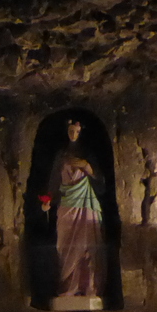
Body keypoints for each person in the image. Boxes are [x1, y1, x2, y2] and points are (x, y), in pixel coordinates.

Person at [41, 119, 104, 300]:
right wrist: (47, 200)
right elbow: (54, 180)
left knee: (87, 245)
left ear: (81, 132)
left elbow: (100, 180)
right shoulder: (61, 155)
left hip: (85, 201)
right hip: (67, 201)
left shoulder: (87, 154)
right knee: (65, 244)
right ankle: (68, 286)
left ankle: (88, 286)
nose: (73, 135)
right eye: (70, 131)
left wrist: (87, 166)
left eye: (76, 131)